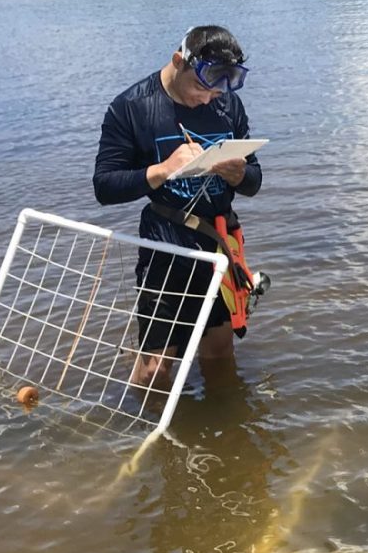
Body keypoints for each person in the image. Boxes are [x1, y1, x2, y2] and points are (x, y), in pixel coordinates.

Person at [94, 25, 263, 389]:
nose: (208, 99)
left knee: (220, 354)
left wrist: (238, 174)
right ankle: (144, 422)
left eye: (218, 90)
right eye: (202, 88)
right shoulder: (131, 108)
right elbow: (104, 187)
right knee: (155, 367)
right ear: (178, 62)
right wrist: (162, 171)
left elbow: (255, 182)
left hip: (218, 241)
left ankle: (223, 432)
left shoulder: (227, 104)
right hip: (165, 243)